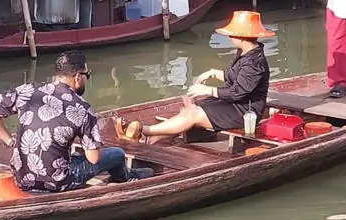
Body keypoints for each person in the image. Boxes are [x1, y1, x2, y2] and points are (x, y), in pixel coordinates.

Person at [0, 50, 153, 192]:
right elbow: (94, 159)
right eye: (87, 75)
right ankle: (127, 177)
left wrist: (10, 141)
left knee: (72, 156)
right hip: (57, 182)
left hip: (22, 178)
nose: (86, 78)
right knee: (117, 154)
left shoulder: (28, 91)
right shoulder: (82, 109)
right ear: (78, 77)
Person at [115, 11, 272, 144]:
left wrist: (208, 89)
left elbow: (237, 91)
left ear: (242, 37)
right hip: (234, 103)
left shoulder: (254, 63)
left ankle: (144, 130)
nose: (230, 37)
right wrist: (212, 72)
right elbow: (234, 77)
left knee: (193, 114)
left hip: (244, 111)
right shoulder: (245, 53)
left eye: (232, 34)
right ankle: (148, 140)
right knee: (190, 107)